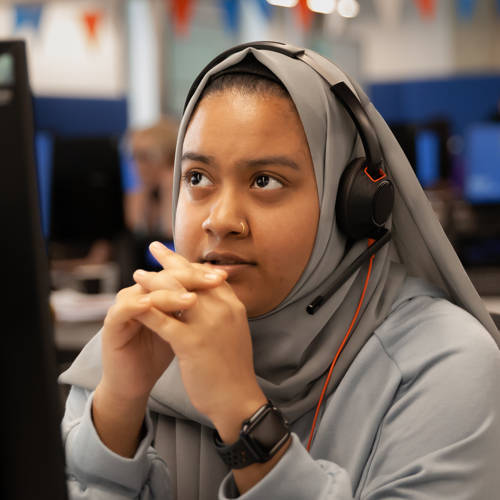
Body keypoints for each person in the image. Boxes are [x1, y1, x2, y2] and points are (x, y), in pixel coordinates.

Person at [59, 43, 500, 499]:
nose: (221, 219)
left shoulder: (442, 362)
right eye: (197, 178)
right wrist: (119, 406)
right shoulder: (131, 349)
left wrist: (242, 414)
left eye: (264, 180)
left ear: (347, 205)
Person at [123, 117, 179, 241]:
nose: (138, 166)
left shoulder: (183, 194)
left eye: (145, 157)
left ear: (170, 158)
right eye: (134, 156)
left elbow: (171, 238)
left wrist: (169, 190)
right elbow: (135, 236)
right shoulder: (138, 192)